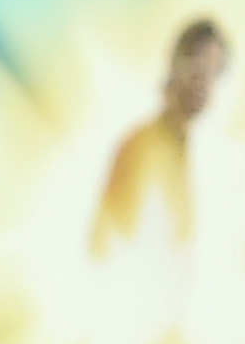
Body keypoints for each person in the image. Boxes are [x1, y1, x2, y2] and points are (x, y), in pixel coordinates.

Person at [90, 17, 229, 257]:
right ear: (174, 63)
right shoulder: (142, 146)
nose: (202, 81)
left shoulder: (186, 155)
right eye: (196, 64)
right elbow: (108, 247)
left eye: (213, 72)